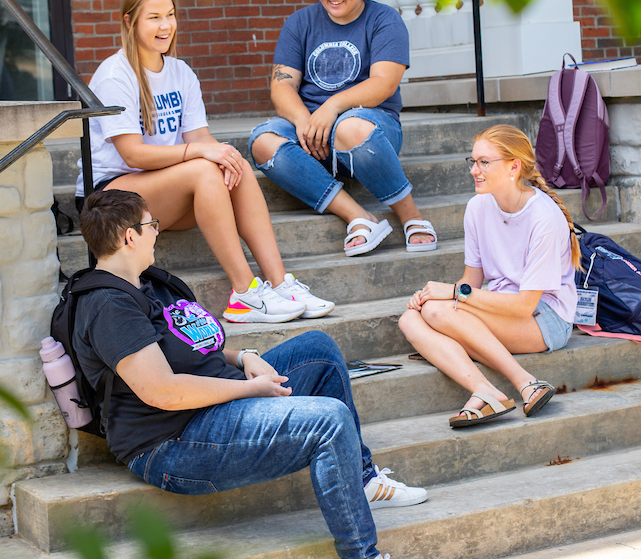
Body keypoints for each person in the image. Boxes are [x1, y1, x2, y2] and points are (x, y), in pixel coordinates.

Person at [73, 189, 428, 559]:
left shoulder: (149, 283)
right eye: (152, 225)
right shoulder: (108, 306)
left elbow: (190, 348)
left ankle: (362, 478)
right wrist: (248, 390)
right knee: (329, 420)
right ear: (130, 236)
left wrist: (243, 357)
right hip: (172, 443)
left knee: (317, 349)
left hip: (214, 406)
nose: (157, 232)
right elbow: (163, 391)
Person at [75, 0, 333, 323]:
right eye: (153, 17)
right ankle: (244, 293)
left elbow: (201, 138)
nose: (165, 25)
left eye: (170, 15)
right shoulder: (115, 76)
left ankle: (280, 282)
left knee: (232, 163)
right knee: (203, 166)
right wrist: (198, 154)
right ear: (129, 21)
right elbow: (133, 155)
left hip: (160, 191)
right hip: (110, 200)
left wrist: (219, 153)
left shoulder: (181, 73)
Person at [249, 0, 436, 258]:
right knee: (261, 141)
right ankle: (358, 217)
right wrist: (304, 121)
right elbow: (282, 86)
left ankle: (411, 216)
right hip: (313, 135)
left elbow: (384, 84)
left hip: (371, 130)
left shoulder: (384, 20)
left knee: (349, 128)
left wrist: (331, 109)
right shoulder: (300, 22)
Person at [398, 125, 579, 428]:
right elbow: (473, 280)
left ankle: (525, 382)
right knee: (410, 317)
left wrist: (453, 294)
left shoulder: (543, 217)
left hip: (545, 318)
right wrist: (439, 294)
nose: (474, 170)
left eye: (484, 162)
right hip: (500, 305)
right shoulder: (477, 207)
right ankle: (485, 389)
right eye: (473, 161)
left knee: (436, 311)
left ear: (514, 166)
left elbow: (523, 305)